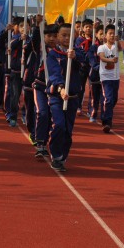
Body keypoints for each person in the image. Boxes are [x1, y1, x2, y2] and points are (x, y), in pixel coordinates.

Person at [46, 23, 85, 172]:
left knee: (68, 130)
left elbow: (85, 64)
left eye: (70, 35)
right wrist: (61, 88)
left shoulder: (77, 52)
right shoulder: (52, 54)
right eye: (63, 35)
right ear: (57, 37)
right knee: (59, 125)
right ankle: (56, 156)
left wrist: (75, 57)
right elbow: (54, 73)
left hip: (73, 97)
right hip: (57, 96)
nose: (67, 38)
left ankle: (62, 157)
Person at [32, 23, 58, 158]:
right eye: (49, 36)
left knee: (52, 116)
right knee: (42, 113)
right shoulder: (41, 49)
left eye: (55, 36)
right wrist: (37, 27)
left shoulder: (61, 51)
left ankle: (49, 142)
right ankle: (40, 143)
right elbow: (35, 40)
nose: (52, 39)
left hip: (55, 89)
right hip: (40, 86)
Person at [97, 24, 122, 133]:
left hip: (115, 77)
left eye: (113, 34)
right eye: (110, 34)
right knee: (109, 99)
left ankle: (105, 112)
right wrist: (111, 61)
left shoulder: (116, 46)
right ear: (105, 36)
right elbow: (102, 57)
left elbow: (120, 49)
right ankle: (107, 121)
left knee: (113, 99)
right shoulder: (101, 47)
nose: (112, 36)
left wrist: (118, 41)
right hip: (105, 77)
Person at [6, 17, 25, 127]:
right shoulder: (14, 38)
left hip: (27, 72)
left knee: (27, 96)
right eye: (22, 26)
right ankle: (13, 116)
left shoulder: (30, 39)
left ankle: (24, 114)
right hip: (16, 71)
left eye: (26, 26)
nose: (24, 28)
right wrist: (20, 40)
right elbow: (10, 46)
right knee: (15, 95)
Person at [75, 18, 94, 117]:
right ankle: (78, 106)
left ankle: (91, 109)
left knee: (92, 88)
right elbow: (79, 51)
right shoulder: (79, 39)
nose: (88, 29)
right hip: (82, 67)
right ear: (83, 28)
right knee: (80, 87)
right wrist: (84, 58)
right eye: (87, 27)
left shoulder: (94, 39)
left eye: (90, 27)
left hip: (92, 67)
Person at [86, 25, 104, 123]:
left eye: (105, 33)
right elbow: (92, 61)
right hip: (95, 76)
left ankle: (104, 116)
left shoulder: (112, 47)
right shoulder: (93, 47)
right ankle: (93, 113)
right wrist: (99, 68)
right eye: (101, 33)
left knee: (106, 98)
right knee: (94, 96)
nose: (103, 36)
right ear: (96, 34)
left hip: (107, 77)